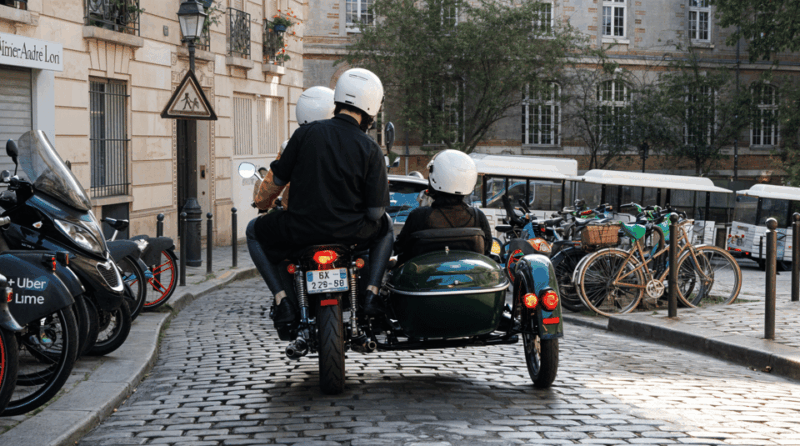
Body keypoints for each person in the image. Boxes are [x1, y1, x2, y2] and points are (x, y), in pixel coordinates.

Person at [247, 68, 393, 332]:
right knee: (387, 227)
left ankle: (282, 301)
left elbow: (276, 182)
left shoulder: (304, 135)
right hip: (351, 233)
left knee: (252, 232)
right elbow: (374, 212)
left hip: (300, 230)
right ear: (371, 108)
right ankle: (371, 293)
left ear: (337, 100)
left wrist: (263, 204)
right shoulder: (371, 148)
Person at [394, 150, 493, 264]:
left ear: (435, 179)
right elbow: (486, 251)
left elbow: (399, 248)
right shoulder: (477, 216)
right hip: (470, 280)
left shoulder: (419, 216)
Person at [252, 86, 336, 211]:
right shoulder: (348, 144)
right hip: (342, 221)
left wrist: (261, 202)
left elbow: (269, 190)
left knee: (252, 228)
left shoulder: (292, 145)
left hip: (300, 219)